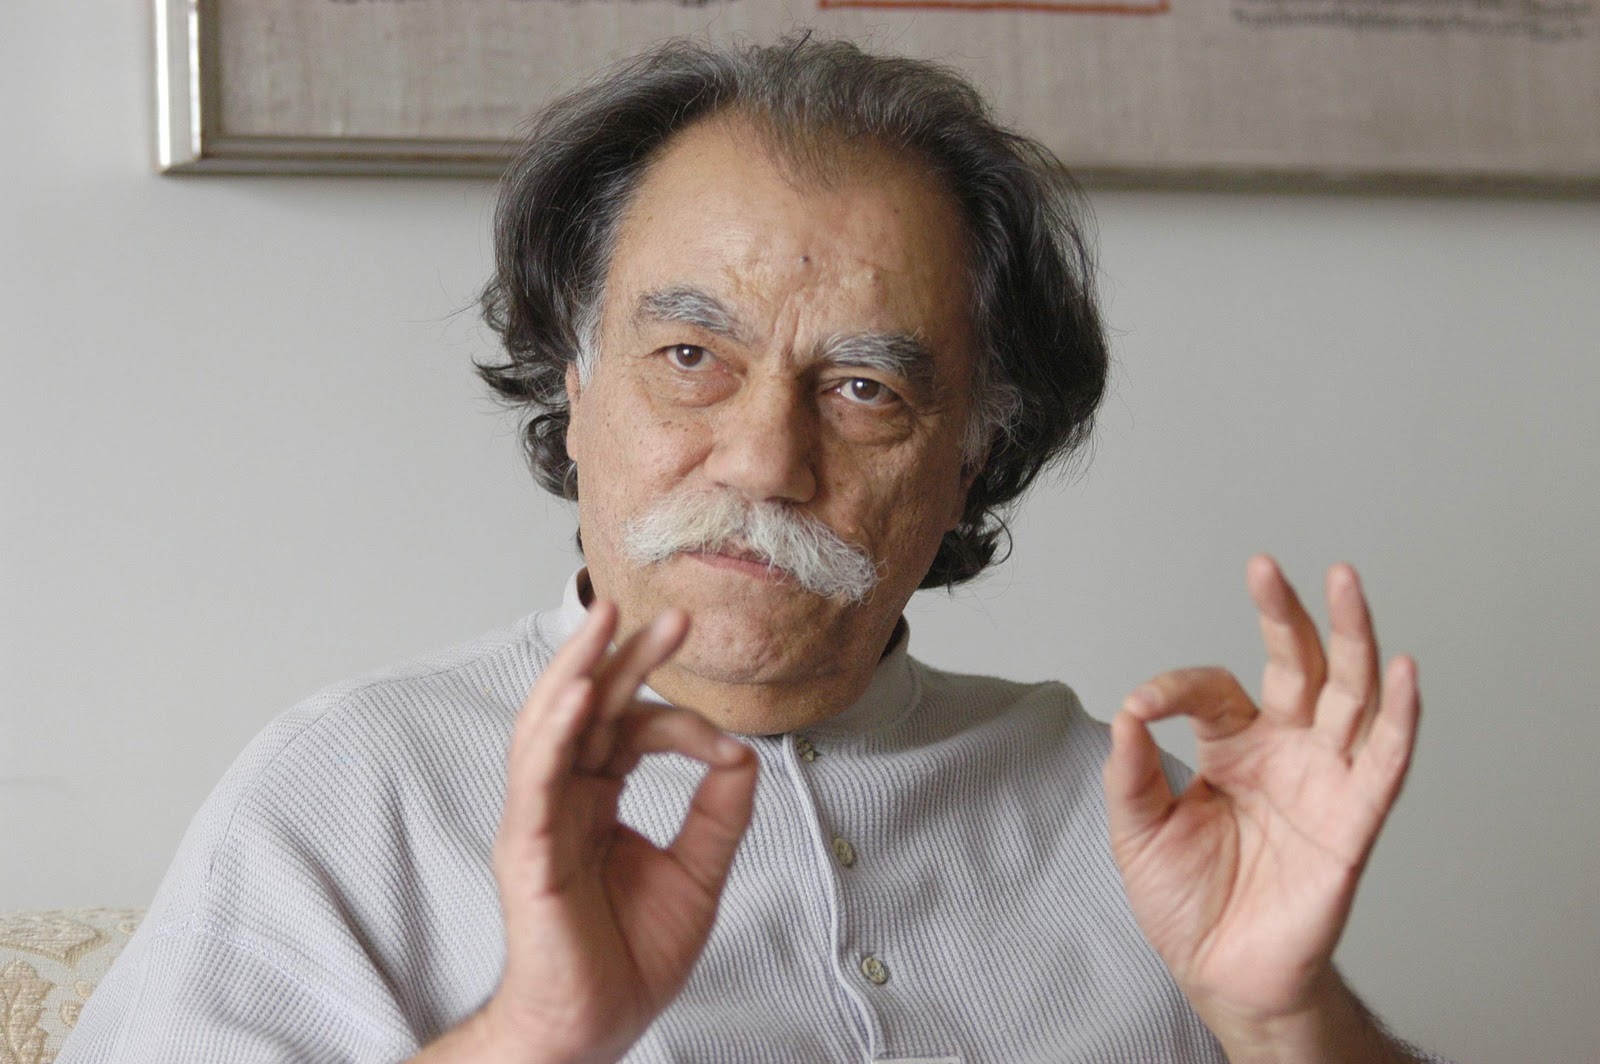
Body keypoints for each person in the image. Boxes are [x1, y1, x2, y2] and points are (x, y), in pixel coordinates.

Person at [62, 35, 1449, 1064]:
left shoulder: (1122, 810)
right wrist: (535, 1034)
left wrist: (1287, 1017)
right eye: (690, 358)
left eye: (864, 388)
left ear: (974, 454)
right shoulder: (352, 794)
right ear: (574, 385)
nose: (766, 462)